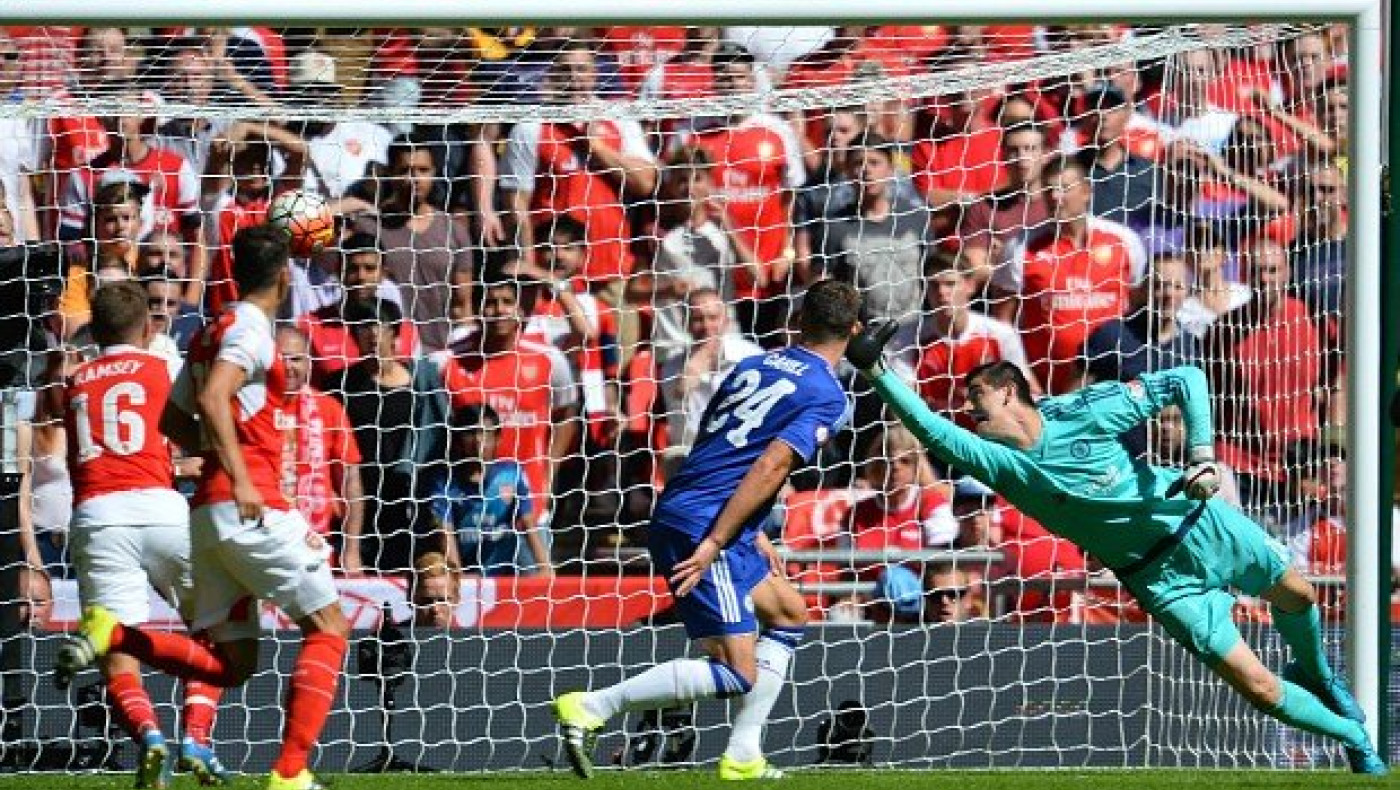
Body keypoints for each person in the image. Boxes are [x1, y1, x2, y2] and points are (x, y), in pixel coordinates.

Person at [843, 321, 1386, 775]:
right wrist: (877, 371)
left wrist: (1201, 456)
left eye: (976, 398)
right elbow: (932, 431)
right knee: (1261, 690)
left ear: (1008, 390)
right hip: (1158, 579)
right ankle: (1357, 741)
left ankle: (1316, 673)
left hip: (1195, 521)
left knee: (1299, 595)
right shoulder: (996, 462)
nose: (969, 412)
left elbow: (1188, 377)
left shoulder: (1086, 409)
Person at [55, 225, 351, 790]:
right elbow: (214, 397)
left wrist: (217, 456)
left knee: (231, 666)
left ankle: (114, 637)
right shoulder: (249, 327)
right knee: (328, 626)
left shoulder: (206, 332)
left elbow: (171, 419)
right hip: (247, 503)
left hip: (189, 515)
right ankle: (290, 773)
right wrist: (240, 473)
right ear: (286, 275)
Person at [552, 278, 862, 781]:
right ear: (854, 329)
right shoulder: (829, 394)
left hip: (714, 514)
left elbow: (715, 441)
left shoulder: (753, 362)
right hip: (706, 526)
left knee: (789, 612)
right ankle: (593, 705)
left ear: (800, 319)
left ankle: (743, 753)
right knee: (737, 673)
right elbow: (771, 464)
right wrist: (719, 538)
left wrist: (751, 530)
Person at [52, 282, 229, 787]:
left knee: (117, 648)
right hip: (161, 507)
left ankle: (150, 739)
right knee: (213, 623)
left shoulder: (76, 381)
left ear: (95, 329)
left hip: (97, 516)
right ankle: (196, 735)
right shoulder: (163, 367)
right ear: (150, 326)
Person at [426, 403, 552, 577]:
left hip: (506, 577)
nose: (478, 440)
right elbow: (445, 532)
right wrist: (458, 575)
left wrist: (544, 567)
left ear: (497, 438)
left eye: (485, 433)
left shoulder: (512, 474)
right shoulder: (443, 482)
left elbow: (528, 524)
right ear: (458, 440)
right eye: (470, 433)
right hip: (465, 576)